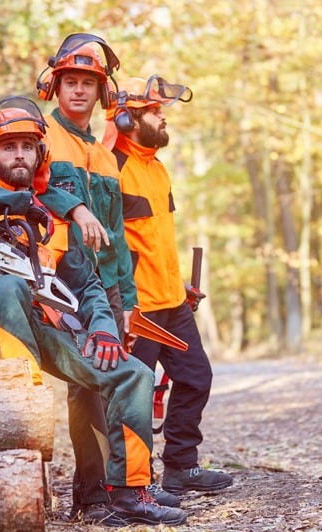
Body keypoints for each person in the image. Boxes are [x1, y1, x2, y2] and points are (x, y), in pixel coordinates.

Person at [0, 96, 187, 527]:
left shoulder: (55, 219)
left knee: (133, 374)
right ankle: (19, 404)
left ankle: (128, 492)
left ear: (39, 153)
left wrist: (103, 328)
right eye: (7, 148)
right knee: (4, 286)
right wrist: (17, 204)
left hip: (46, 326)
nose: (17, 155)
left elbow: (89, 283)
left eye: (25, 147)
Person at [34, 34, 179, 517]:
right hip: (60, 284)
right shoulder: (41, 137)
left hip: (106, 290)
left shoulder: (102, 154)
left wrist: (128, 298)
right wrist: (73, 207)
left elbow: (115, 238)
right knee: (89, 386)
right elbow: (24, 188)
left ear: (103, 94)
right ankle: (94, 494)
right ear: (54, 87)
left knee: (118, 380)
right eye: (70, 82)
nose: (78, 91)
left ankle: (130, 483)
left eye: (87, 84)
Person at [106, 76, 233, 495]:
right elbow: (110, 248)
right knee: (135, 396)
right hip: (136, 308)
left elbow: (153, 240)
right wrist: (119, 303)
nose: (164, 119)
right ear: (127, 120)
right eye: (156, 112)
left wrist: (178, 283)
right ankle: (133, 484)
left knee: (196, 377)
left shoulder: (156, 169)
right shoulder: (112, 169)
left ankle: (181, 467)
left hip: (171, 302)